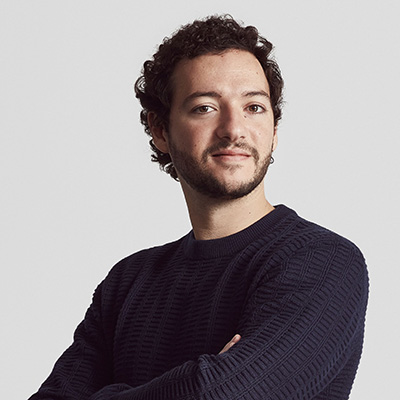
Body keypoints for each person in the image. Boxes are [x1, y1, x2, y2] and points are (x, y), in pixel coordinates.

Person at [29, 15, 368, 400]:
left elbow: (218, 393)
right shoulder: (127, 282)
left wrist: (111, 393)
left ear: (274, 130)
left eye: (254, 107)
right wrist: (196, 383)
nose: (233, 129)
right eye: (205, 107)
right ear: (160, 130)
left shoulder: (324, 262)